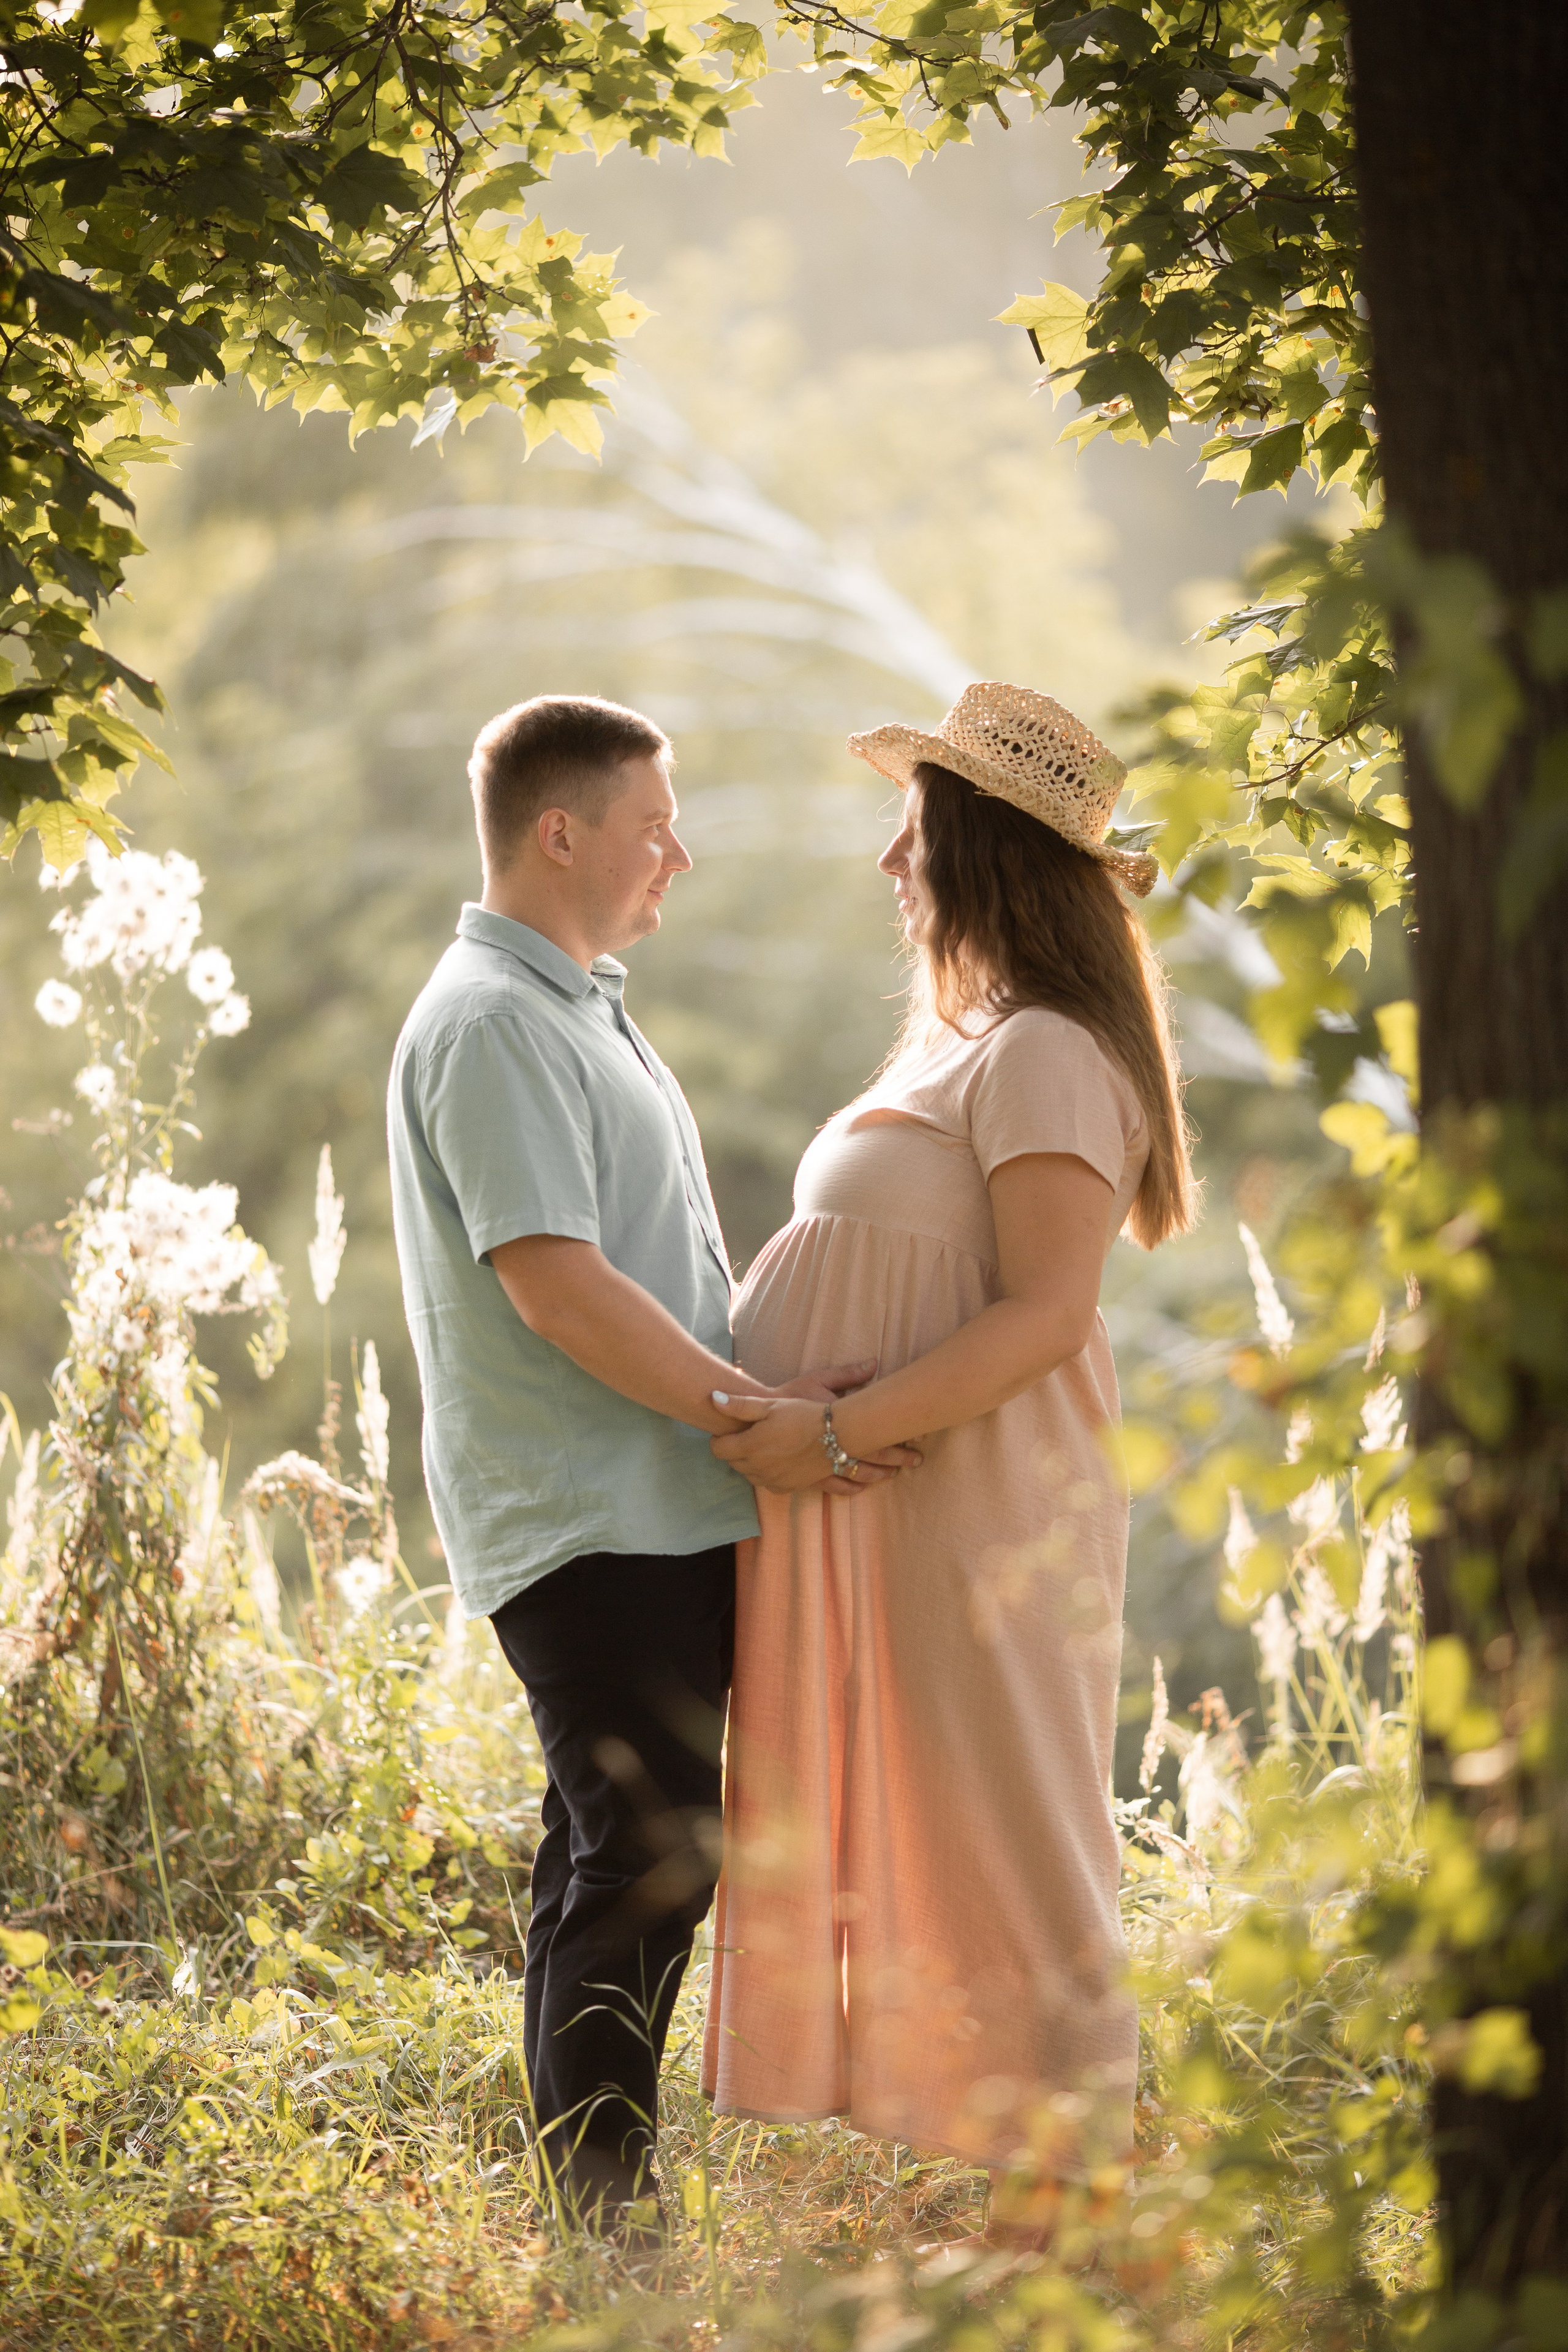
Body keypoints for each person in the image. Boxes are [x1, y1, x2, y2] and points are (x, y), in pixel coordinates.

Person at [386, 694, 916, 2237]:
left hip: (646, 1501)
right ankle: (609, 2227)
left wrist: (757, 1381)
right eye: (652, 823)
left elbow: (645, 1262)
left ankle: (595, 2206)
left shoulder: (571, 1005)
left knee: (618, 1847)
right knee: (650, 1851)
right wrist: (740, 1412)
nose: (675, 853)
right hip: (586, 1513)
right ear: (562, 833)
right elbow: (552, 1281)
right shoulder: (490, 1022)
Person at [699, 680, 1197, 2225]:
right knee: (953, 1809)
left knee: (1012, 1824)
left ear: (977, 852)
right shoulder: (972, 1041)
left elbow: (1048, 1312)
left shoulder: (1044, 1051)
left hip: (967, 1496)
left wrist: (835, 1429)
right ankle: (1003, 2163)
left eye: (907, 831)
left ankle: (1076, 2185)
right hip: (887, 1490)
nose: (882, 863)